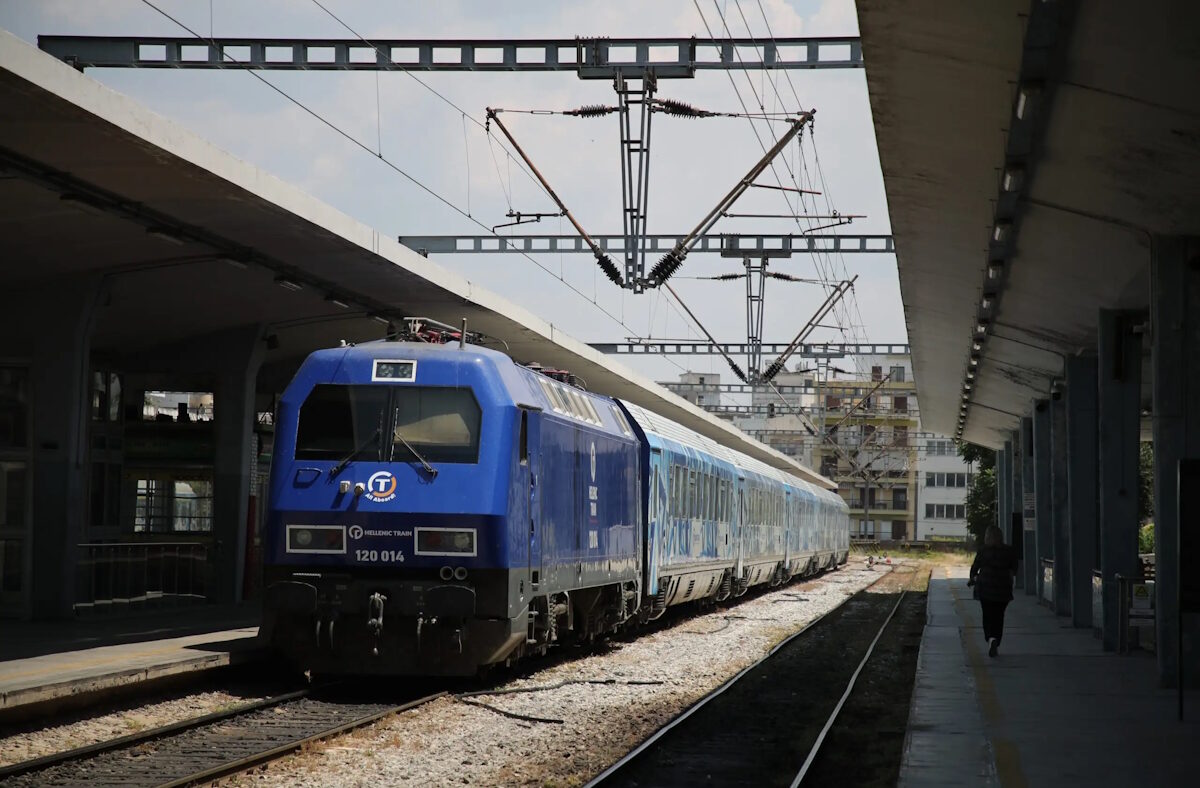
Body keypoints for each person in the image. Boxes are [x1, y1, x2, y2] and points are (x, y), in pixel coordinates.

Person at [968, 525, 1019, 657]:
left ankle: (990, 638)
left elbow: (975, 567)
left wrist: (973, 578)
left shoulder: (983, 550)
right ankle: (996, 638)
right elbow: (1014, 569)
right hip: (1003, 589)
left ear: (987, 537)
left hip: (985, 588)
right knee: (999, 616)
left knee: (987, 615)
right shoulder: (1009, 551)